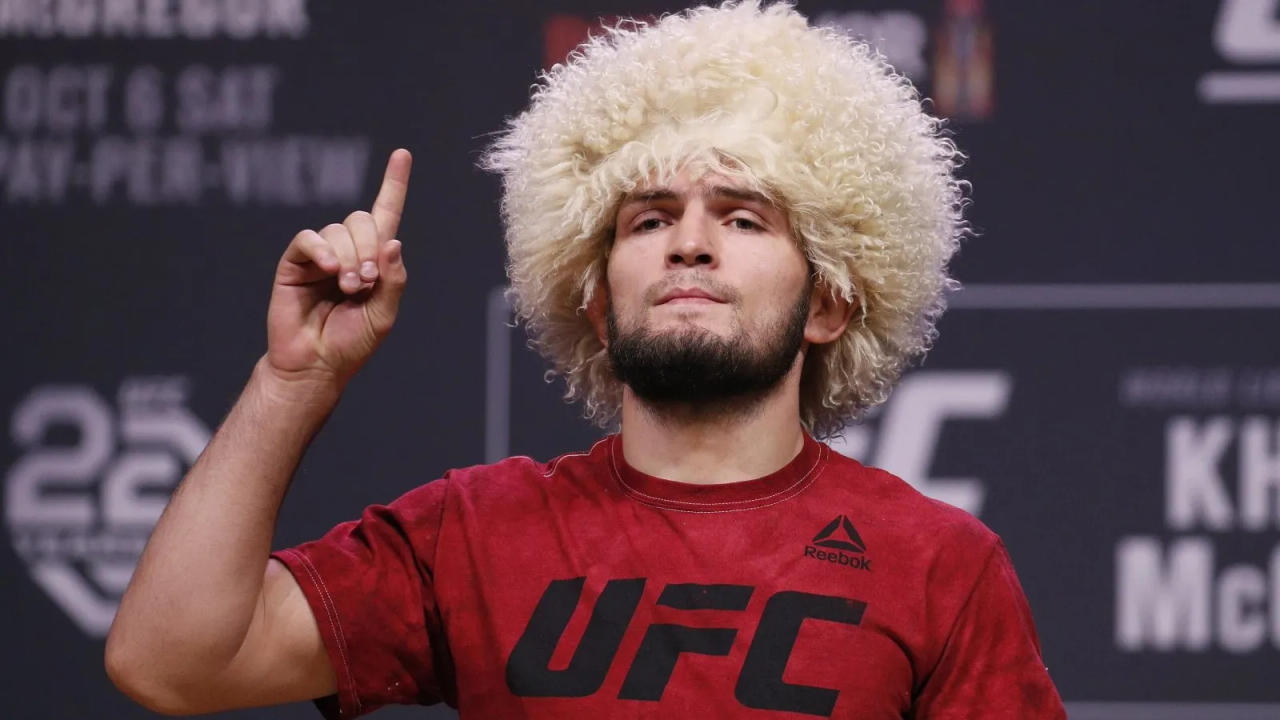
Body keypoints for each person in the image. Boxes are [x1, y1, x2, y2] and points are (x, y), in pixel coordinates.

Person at [105, 2, 1066, 718]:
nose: (689, 245)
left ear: (827, 301)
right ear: (597, 302)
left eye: (741, 217)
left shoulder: (939, 565)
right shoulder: (475, 533)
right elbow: (174, 660)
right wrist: (294, 381)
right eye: (648, 220)